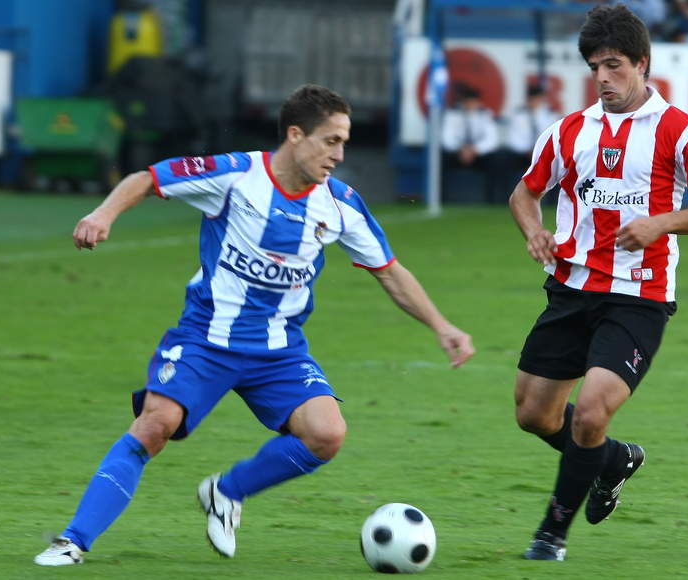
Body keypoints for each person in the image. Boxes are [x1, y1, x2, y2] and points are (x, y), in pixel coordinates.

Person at [34, 84, 475, 566]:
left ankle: (227, 492)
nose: (339, 154)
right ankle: (72, 541)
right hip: (206, 339)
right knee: (156, 424)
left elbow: (388, 270)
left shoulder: (340, 203)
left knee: (326, 435)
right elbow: (147, 179)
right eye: (330, 141)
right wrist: (103, 213)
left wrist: (441, 325)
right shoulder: (235, 175)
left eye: (344, 142)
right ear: (295, 134)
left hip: (279, 349)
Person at [508, 4, 688, 562]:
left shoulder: (678, 130)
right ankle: (611, 460)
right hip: (570, 289)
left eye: (613, 65)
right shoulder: (569, 131)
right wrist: (533, 229)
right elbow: (524, 193)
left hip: (639, 297)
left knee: (590, 411)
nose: (603, 78)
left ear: (642, 63)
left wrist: (664, 221)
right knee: (532, 414)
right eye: (594, 67)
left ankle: (551, 535)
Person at [441, 81, 503, 203]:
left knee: (498, 160)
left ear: (478, 102)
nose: (470, 105)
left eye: (472, 102)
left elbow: (492, 139)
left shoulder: (485, 115)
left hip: (478, 154)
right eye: (467, 102)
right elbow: (446, 137)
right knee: (440, 159)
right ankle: (441, 197)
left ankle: (492, 199)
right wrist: (461, 149)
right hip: (457, 153)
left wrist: (475, 150)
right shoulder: (452, 114)